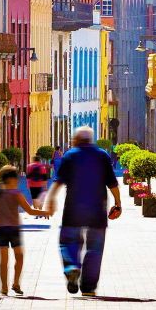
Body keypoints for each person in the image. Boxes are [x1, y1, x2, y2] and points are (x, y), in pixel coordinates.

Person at [44, 126, 121, 296]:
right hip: (97, 211)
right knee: (95, 248)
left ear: (77, 140)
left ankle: (72, 267)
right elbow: (113, 183)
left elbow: (58, 181)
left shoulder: (70, 155)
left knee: (68, 241)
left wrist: (50, 200)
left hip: (73, 210)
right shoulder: (102, 155)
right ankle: (88, 287)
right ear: (91, 139)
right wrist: (118, 203)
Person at [0, 165, 50, 295]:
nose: (18, 181)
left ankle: (10, 285)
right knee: (17, 257)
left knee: (7, 259)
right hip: (11, 230)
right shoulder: (8, 194)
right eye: (16, 179)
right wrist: (44, 212)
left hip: (4, 230)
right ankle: (10, 285)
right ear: (10, 179)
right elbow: (30, 211)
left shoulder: (6, 193)